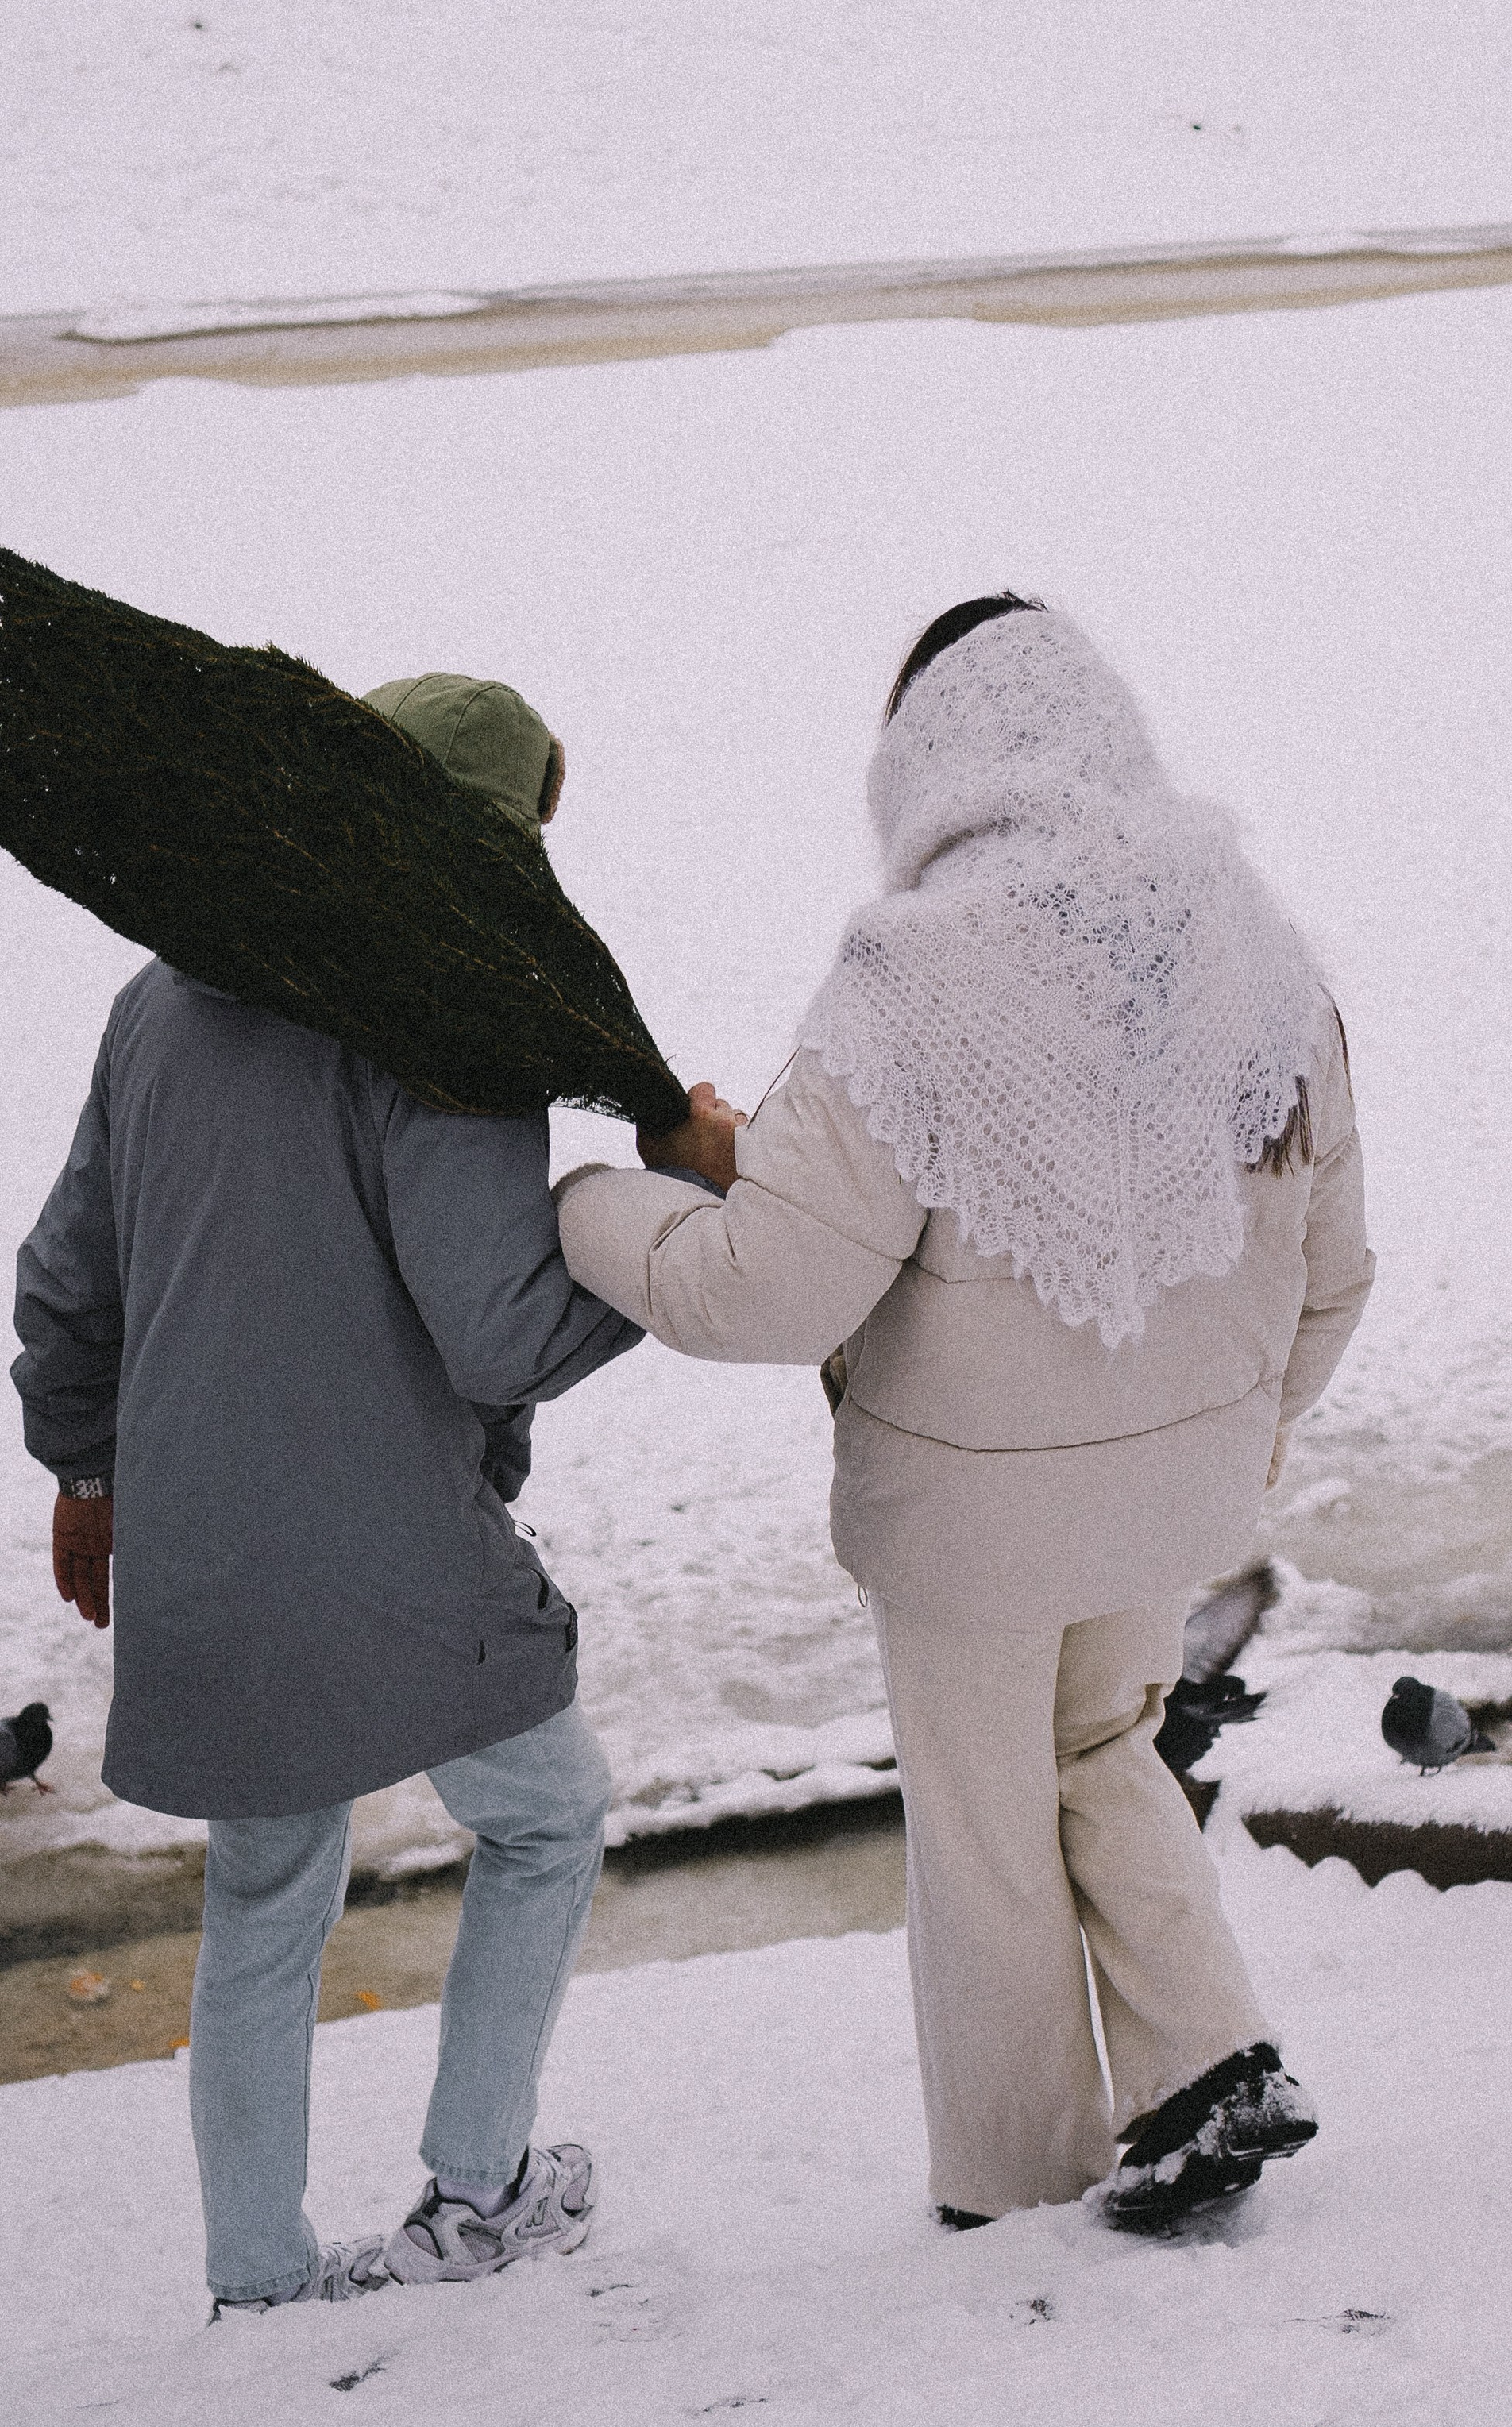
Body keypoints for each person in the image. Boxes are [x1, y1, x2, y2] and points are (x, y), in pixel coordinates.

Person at [557, 598, 1376, 2235]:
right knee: (1103, 1742)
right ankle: (1209, 2060)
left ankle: (1014, 2186)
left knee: (986, 1816)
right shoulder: (1256, 947)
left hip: (970, 1525)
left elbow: (772, 1289)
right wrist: (1234, 1436)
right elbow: (1331, 1268)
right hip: (1177, 1495)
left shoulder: (907, 979)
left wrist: (586, 1204)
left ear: (922, 761)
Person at [14, 673, 642, 2313]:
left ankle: (260, 2275)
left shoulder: (163, 994)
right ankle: (480, 2185)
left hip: (201, 1549)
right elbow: (498, 1332)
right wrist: (669, 1250)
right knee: (548, 1815)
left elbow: (68, 1277)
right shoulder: (444, 1022)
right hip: (392, 1562)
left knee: (267, 1897)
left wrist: (87, 1469)